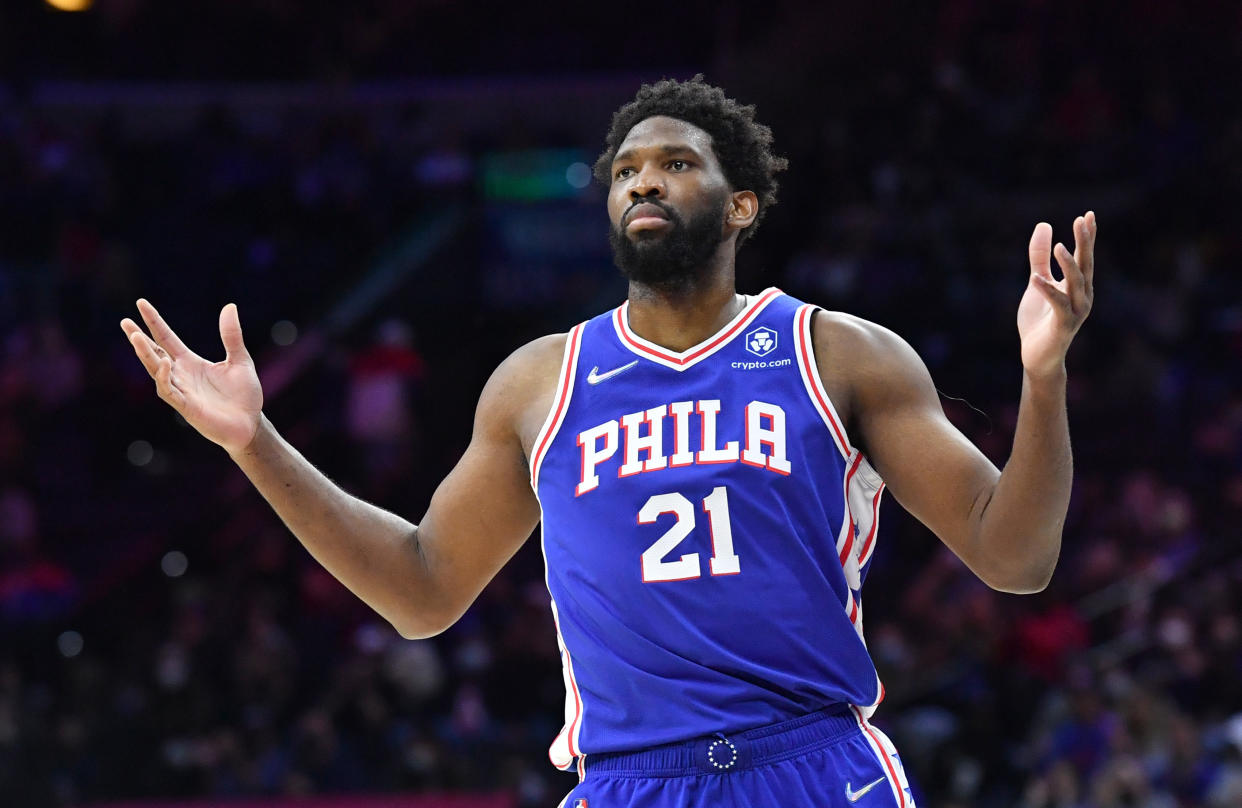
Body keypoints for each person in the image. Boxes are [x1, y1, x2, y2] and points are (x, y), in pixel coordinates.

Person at [121, 76, 1097, 807]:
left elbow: (1014, 555)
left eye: (676, 162)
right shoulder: (540, 381)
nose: (644, 179)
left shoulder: (836, 353)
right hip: (631, 780)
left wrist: (1044, 378)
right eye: (627, 169)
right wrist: (256, 442)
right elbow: (421, 586)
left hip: (809, 763)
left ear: (743, 201)